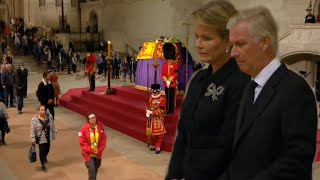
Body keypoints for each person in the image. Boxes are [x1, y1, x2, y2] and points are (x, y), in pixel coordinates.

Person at [221, 6, 318, 180]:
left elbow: (296, 162)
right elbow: (240, 153)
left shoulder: (295, 90)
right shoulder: (249, 87)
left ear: (264, 43)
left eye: (240, 44)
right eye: (232, 46)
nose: (233, 53)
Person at [165, 1, 250, 179]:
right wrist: (173, 175)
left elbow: (231, 148)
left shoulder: (242, 82)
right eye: (197, 36)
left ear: (228, 39)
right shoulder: (198, 80)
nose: (198, 44)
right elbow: (183, 135)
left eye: (207, 38)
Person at [78, 112, 107, 180]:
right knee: (92, 169)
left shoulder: (100, 126)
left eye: (94, 117)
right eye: (91, 118)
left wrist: (99, 150)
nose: (93, 119)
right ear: (88, 120)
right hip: (88, 153)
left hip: (98, 153)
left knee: (96, 167)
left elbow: (103, 139)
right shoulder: (84, 129)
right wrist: (92, 150)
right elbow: (82, 143)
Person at [30, 105, 56, 172]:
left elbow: (52, 127)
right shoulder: (34, 120)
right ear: (38, 111)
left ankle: (44, 157)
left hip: (48, 137)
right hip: (40, 138)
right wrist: (33, 140)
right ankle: (42, 165)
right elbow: (32, 130)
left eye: (44, 110)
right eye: (41, 110)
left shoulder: (49, 117)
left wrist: (53, 135)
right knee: (42, 151)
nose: (43, 111)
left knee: (47, 150)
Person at [145, 83, 166, 154]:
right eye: (152, 92)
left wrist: (152, 112)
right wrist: (147, 111)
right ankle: (156, 144)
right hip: (151, 119)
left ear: (158, 91)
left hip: (158, 119)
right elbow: (147, 106)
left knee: (160, 134)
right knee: (153, 134)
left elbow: (161, 110)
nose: (153, 93)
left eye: (155, 92)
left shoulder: (162, 99)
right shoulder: (151, 98)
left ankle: (158, 146)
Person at [161, 43, 179, 114]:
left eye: (170, 60)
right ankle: (167, 110)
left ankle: (171, 111)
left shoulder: (175, 65)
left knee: (171, 98)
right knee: (167, 97)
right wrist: (166, 80)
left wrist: (170, 79)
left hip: (173, 85)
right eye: (168, 60)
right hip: (166, 85)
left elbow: (176, 73)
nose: (169, 61)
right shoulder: (164, 65)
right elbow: (162, 74)